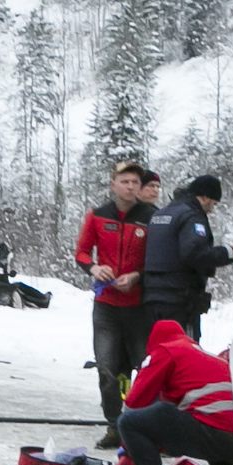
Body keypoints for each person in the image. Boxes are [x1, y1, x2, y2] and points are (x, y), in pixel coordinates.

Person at [116, 318, 233, 465]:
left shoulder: (166, 350)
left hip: (212, 432)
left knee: (129, 423)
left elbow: (133, 405)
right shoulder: (208, 358)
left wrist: (129, 444)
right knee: (215, 417)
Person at [75, 161, 159, 448]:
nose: (131, 186)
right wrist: (94, 269)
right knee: (108, 369)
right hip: (107, 306)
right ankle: (114, 425)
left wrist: (138, 276)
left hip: (139, 307)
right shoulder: (98, 216)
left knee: (145, 370)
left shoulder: (151, 217)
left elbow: (159, 262)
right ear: (113, 184)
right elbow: (82, 253)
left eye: (135, 182)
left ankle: (145, 429)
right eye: (125, 181)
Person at [139, 173, 233, 341]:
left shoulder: (161, 214)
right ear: (205, 197)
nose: (212, 209)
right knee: (184, 351)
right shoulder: (192, 216)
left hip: (152, 297)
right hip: (179, 299)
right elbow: (194, 254)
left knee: (159, 350)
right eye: (213, 203)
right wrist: (227, 253)